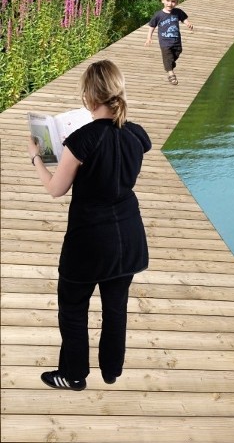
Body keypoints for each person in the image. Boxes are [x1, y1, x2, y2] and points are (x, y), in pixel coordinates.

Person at [27, 59, 151, 391]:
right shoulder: (137, 135)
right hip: (128, 236)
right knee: (116, 307)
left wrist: (37, 158)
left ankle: (74, 374)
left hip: (89, 240)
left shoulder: (82, 139)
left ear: (88, 95)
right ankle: (112, 369)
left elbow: (56, 189)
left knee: (73, 307)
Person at [145, 0, 194, 85]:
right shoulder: (158, 15)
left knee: (178, 51)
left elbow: (183, 18)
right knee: (167, 57)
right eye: (167, 1)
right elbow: (152, 26)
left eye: (173, 1)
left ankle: (169, 65)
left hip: (176, 41)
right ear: (162, 0)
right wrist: (149, 37)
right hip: (165, 42)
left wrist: (187, 23)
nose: (170, 4)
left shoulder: (177, 12)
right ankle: (170, 73)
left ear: (176, 2)